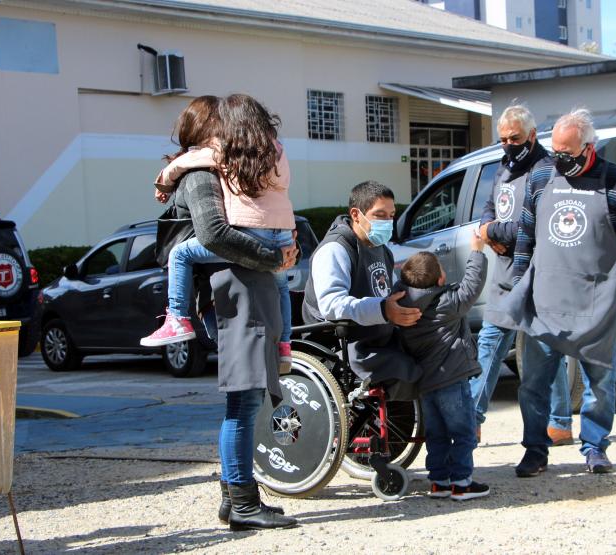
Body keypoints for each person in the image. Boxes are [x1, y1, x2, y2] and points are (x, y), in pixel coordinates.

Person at [488, 108, 616, 477]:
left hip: (597, 301)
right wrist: (518, 287)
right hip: (544, 301)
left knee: (600, 381)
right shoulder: (543, 176)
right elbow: (526, 236)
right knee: (533, 382)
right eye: (555, 150)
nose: (559, 160)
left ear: (589, 147)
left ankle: (595, 446)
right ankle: (535, 450)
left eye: (567, 153)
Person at [165, 96, 299, 530]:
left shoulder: (224, 168)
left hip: (245, 294)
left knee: (246, 401)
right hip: (237, 296)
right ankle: (243, 502)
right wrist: (272, 257)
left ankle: (233, 497)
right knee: (242, 403)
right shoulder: (204, 172)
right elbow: (215, 233)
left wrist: (278, 258)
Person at [141, 94, 297, 367]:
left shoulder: (227, 151)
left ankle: (177, 317)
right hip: (283, 231)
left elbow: (189, 160)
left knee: (179, 254)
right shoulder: (278, 150)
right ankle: (285, 346)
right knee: (282, 286)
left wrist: (165, 178)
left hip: (250, 231)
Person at [473, 104, 573, 445]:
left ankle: (559, 422)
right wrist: (488, 229)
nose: (508, 144)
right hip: (504, 277)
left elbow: (538, 224)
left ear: (531, 135)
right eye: (503, 139)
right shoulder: (505, 166)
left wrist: (493, 234)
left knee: (546, 350)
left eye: (514, 138)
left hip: (537, 276)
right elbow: (490, 207)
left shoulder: (548, 170)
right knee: (488, 345)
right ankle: (471, 419)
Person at [303, 181, 423, 397]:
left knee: (439, 351)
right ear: (356, 214)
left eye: (391, 215)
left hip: (378, 336)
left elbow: (391, 294)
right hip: (344, 344)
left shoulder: (382, 250)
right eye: (380, 215)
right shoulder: (335, 249)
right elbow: (332, 305)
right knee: (409, 368)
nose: (388, 222)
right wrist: (384, 310)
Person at [393, 233, 489, 500]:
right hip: (453, 381)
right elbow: (473, 284)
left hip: (425, 385)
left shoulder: (401, 306)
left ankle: (439, 482)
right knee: (463, 432)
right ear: (440, 280)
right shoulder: (446, 303)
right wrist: (477, 251)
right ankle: (462, 482)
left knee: (436, 435)